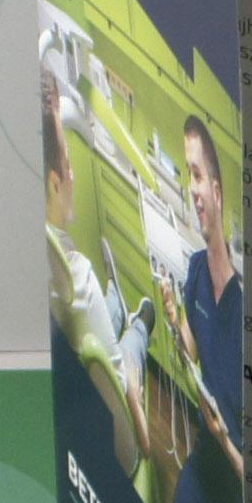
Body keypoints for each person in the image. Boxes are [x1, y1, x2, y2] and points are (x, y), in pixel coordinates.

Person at [41, 69, 153, 474]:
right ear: (55, 184)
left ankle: (116, 300)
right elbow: (140, 435)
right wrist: (137, 399)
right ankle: (140, 320)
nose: (72, 173)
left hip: (73, 402)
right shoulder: (77, 278)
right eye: (68, 163)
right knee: (130, 346)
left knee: (108, 307)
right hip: (119, 449)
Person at [162, 114, 245, 503]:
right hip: (206, 470)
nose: (191, 188)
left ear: (217, 189)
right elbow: (197, 354)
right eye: (186, 174)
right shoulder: (194, 271)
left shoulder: (246, 310)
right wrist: (176, 323)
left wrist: (227, 442)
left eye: (196, 175)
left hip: (242, 501)